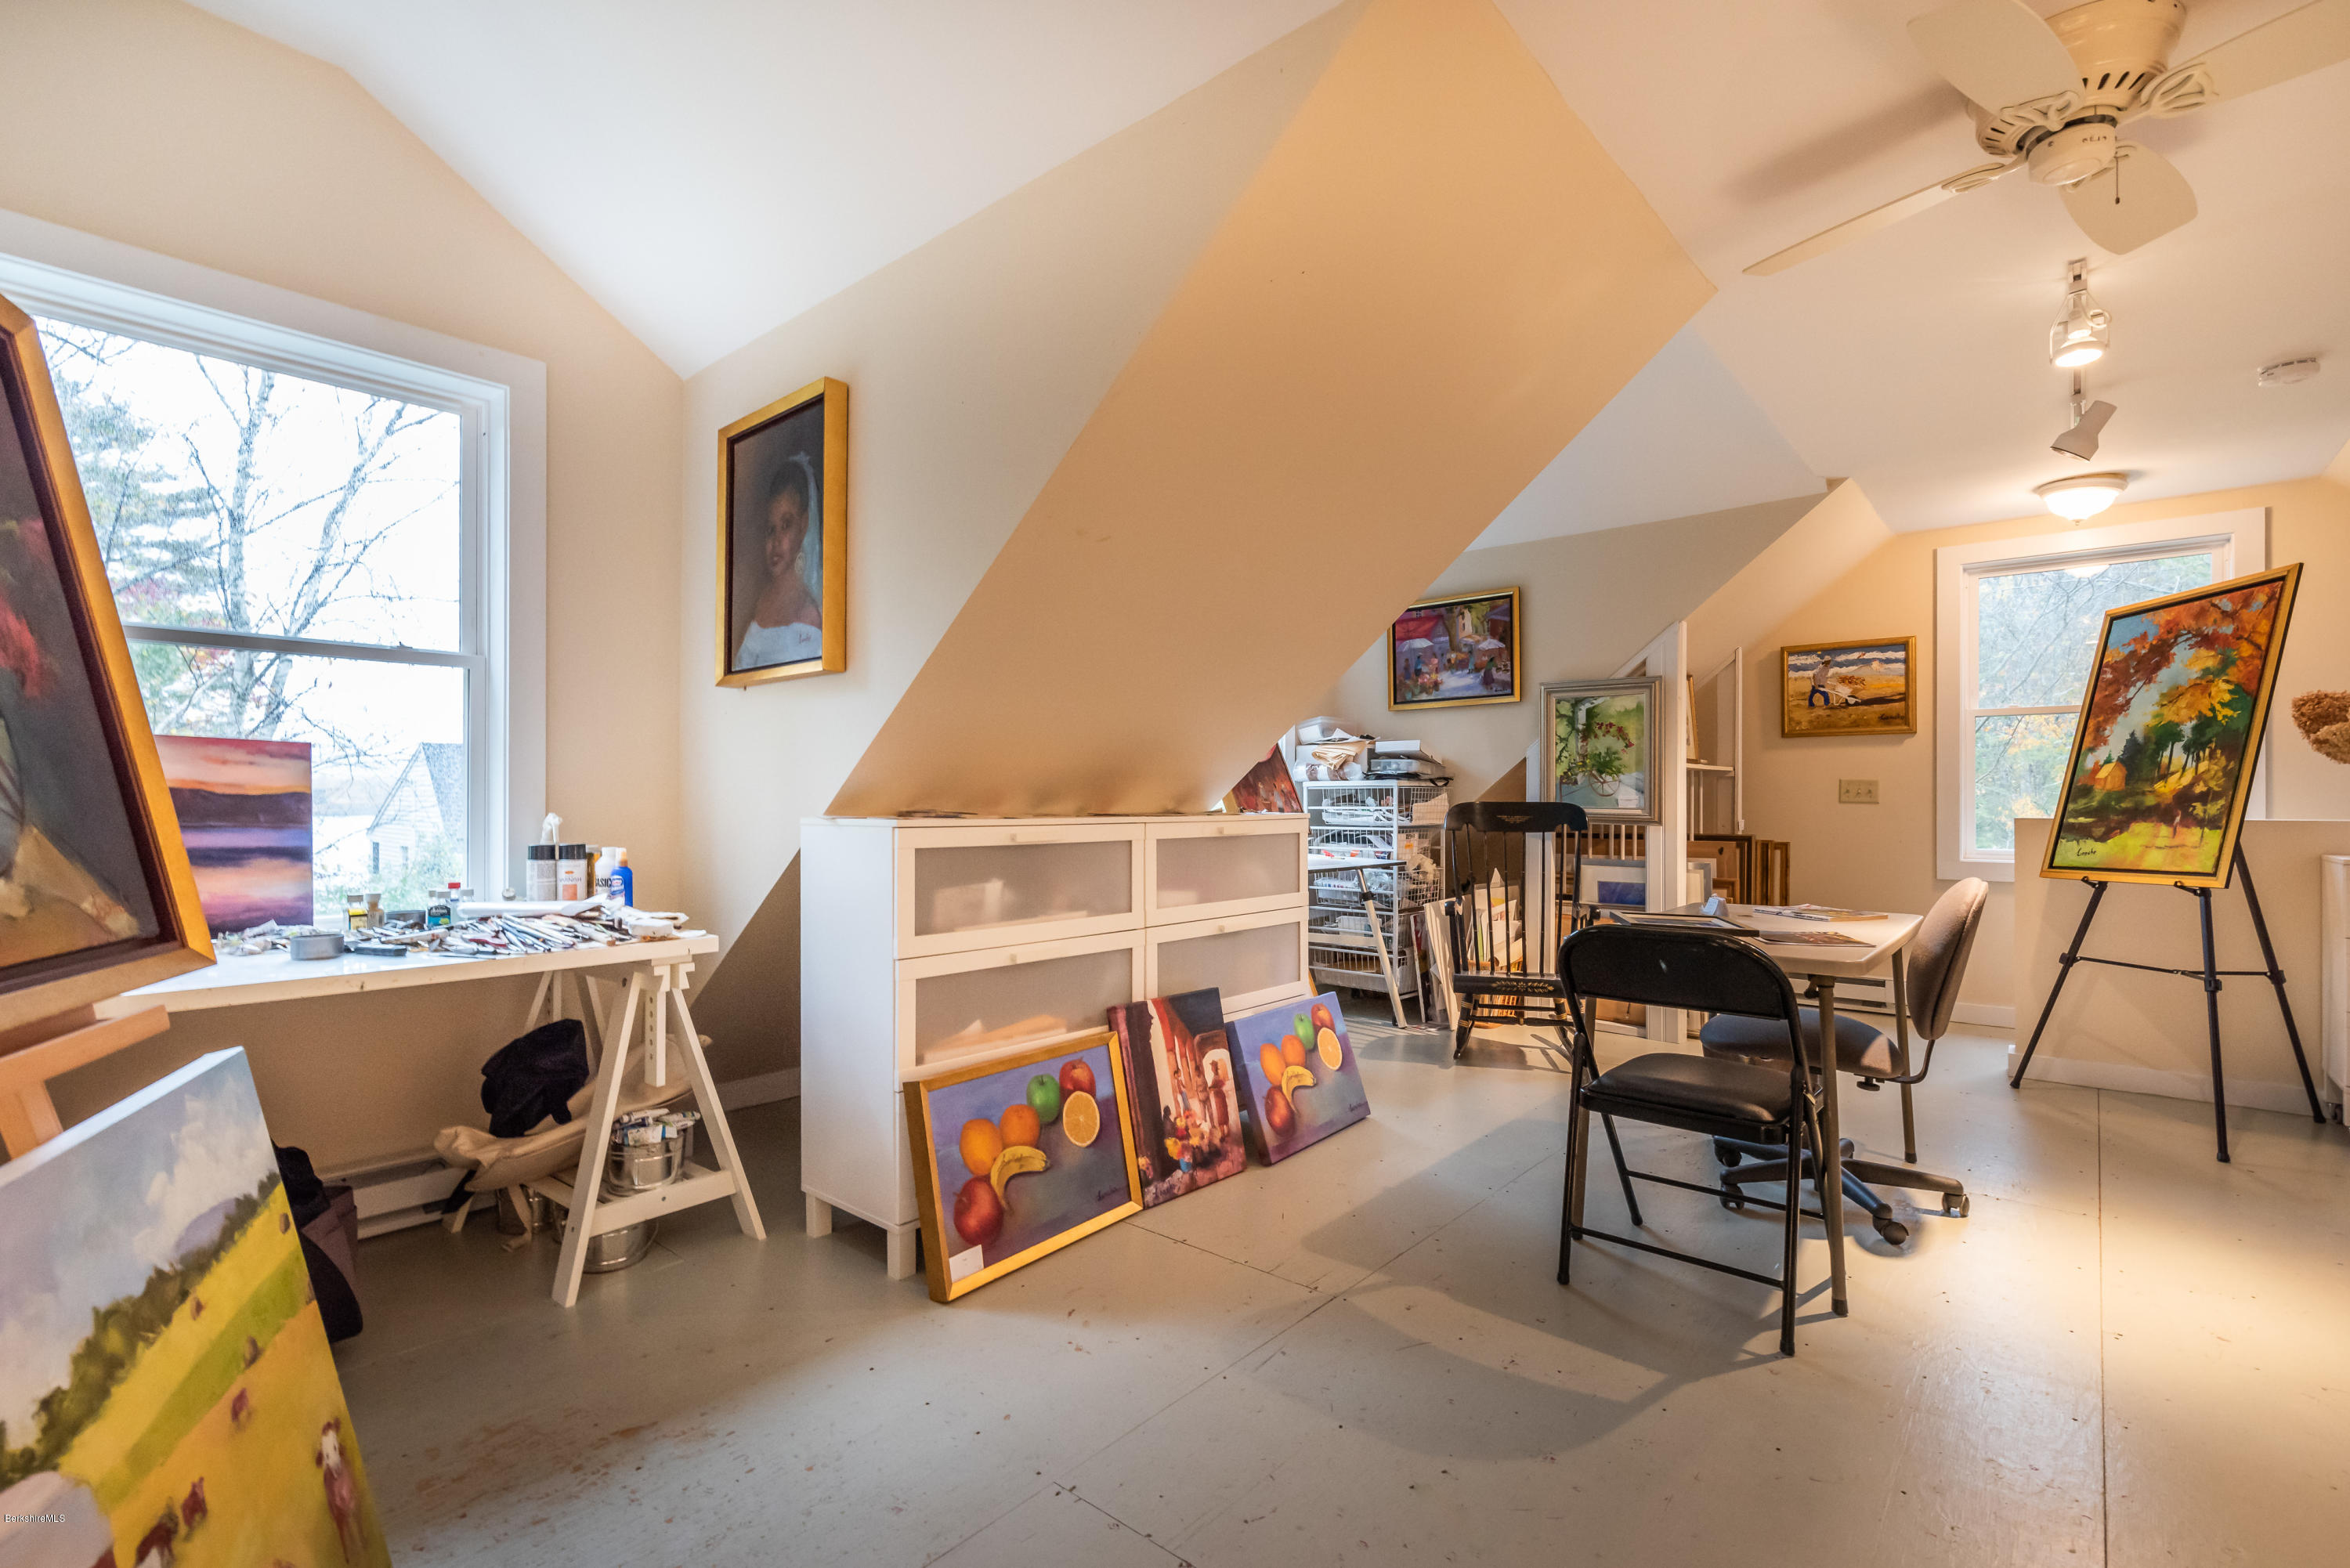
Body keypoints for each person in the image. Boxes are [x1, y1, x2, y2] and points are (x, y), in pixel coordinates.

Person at [734, 453, 822, 670]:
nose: (775, 542)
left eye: (786, 525)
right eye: (770, 529)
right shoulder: (761, 602)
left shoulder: (810, 614)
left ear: (804, 526)